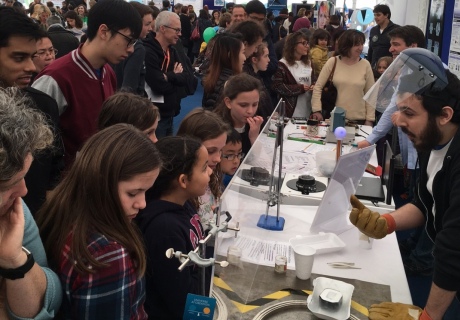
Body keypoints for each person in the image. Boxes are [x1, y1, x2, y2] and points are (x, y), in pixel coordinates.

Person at [349, 47, 460, 320]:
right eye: (398, 111)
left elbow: (454, 248)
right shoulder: (431, 140)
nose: (398, 121)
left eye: (409, 113)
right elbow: (425, 202)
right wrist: (387, 222)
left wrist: (428, 317)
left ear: (445, 115)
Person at [37, 124, 161, 318]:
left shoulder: (62, 210)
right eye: (133, 193)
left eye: (146, 191)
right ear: (101, 183)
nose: (142, 203)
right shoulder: (107, 255)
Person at [356, 26, 432, 276]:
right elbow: (391, 110)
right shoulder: (407, 74)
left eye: (396, 44)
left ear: (412, 48)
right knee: (417, 198)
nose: (390, 50)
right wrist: (372, 139)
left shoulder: (431, 76)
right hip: (414, 153)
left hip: (429, 153)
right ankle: (414, 246)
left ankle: (423, 258)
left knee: (429, 205)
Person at [33, 0, 142, 169]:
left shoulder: (108, 73)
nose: (131, 49)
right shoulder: (55, 79)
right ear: (104, 32)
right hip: (66, 186)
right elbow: (34, 146)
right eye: (129, 40)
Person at [0, 86, 62, 319]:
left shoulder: (13, 210)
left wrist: (14, 259)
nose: (24, 191)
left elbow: (52, 299)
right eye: (8, 184)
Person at [136, 136, 212, 319]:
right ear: (183, 181)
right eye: (204, 168)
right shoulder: (164, 230)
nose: (210, 172)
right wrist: (210, 265)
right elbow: (183, 302)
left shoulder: (184, 203)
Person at [0, 7, 64, 216]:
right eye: (19, 58)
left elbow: (54, 170)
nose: (32, 67)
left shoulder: (43, 105)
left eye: (31, 57)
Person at [177, 109, 230, 229]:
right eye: (211, 151)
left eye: (221, 150)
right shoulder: (182, 189)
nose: (218, 158)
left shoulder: (213, 174)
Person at [311, 30, 375, 123]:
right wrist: (317, 110)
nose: (360, 48)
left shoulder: (365, 64)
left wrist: (370, 120)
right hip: (333, 118)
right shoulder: (332, 62)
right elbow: (318, 87)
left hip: (358, 120)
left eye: (362, 44)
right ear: (346, 45)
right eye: (357, 45)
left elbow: (371, 94)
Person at [144, 11, 190, 138]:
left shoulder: (172, 51)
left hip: (170, 113)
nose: (180, 34)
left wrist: (169, 76)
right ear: (163, 29)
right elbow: (158, 86)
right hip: (154, 118)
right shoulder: (148, 52)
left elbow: (186, 77)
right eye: (177, 30)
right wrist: (175, 78)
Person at [215, 73, 264, 155]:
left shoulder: (256, 124)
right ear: (228, 103)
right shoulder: (217, 128)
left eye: (255, 104)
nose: (250, 111)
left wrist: (254, 137)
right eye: (243, 105)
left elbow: (259, 159)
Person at [113, 2, 154, 96]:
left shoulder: (115, 44)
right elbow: (129, 89)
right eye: (147, 24)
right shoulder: (138, 49)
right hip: (128, 106)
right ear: (135, 23)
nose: (150, 28)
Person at [272, 31, 314, 118]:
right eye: (303, 43)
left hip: (308, 106)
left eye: (307, 43)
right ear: (294, 45)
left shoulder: (309, 63)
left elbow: (314, 79)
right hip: (291, 111)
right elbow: (277, 86)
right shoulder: (283, 64)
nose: (307, 46)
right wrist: (299, 88)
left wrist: (314, 85)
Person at [202, 33, 245, 111]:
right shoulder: (228, 84)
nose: (244, 58)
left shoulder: (214, 76)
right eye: (242, 52)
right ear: (230, 55)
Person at [243, 42, 274, 120]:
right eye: (266, 56)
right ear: (254, 59)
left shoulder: (257, 76)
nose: (269, 60)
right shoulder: (250, 80)